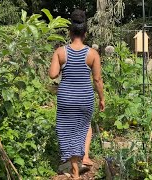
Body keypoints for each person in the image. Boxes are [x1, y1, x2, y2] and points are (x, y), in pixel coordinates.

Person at [49, 9, 105, 179]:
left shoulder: (60, 52)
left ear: (70, 32)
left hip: (66, 98)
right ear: (85, 33)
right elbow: (97, 80)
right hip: (84, 98)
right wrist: (102, 98)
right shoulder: (92, 54)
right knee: (85, 125)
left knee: (66, 130)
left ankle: (74, 168)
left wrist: (58, 63)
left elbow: (52, 75)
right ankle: (84, 156)